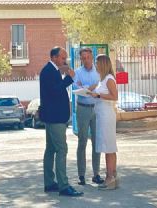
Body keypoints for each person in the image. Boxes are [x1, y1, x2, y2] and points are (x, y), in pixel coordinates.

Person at [39, 47, 83, 197]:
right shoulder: (48, 71)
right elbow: (54, 91)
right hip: (55, 118)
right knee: (61, 149)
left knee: (51, 149)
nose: (65, 61)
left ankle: (50, 183)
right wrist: (69, 79)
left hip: (54, 117)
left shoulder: (52, 70)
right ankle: (63, 186)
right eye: (63, 58)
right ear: (54, 57)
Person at [73, 48, 104, 186]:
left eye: (88, 57)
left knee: (96, 142)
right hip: (83, 109)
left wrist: (88, 88)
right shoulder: (77, 72)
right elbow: (77, 89)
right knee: (82, 142)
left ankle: (96, 174)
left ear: (92, 57)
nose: (86, 60)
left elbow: (101, 88)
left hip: (96, 109)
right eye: (83, 58)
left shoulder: (99, 72)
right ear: (81, 59)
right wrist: (90, 88)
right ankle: (81, 175)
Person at [89, 54, 119, 190]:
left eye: (97, 62)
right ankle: (113, 176)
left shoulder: (109, 79)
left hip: (107, 115)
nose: (95, 65)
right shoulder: (103, 79)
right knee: (108, 146)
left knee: (108, 147)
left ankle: (109, 177)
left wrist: (99, 95)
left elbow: (114, 96)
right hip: (102, 115)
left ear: (103, 64)